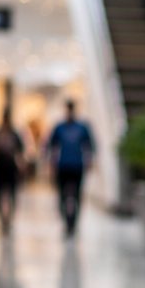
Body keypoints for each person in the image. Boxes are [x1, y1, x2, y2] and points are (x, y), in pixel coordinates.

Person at [47, 100, 94, 236]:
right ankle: (66, 222)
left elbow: (90, 144)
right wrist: (50, 163)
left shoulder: (82, 127)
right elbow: (51, 145)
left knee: (77, 196)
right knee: (62, 196)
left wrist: (90, 159)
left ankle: (74, 223)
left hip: (77, 166)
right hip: (62, 166)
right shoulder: (59, 127)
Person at [0, 108, 26, 234]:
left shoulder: (14, 134)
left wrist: (21, 166)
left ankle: (9, 218)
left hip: (10, 167)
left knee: (12, 194)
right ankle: (1, 219)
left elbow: (19, 152)